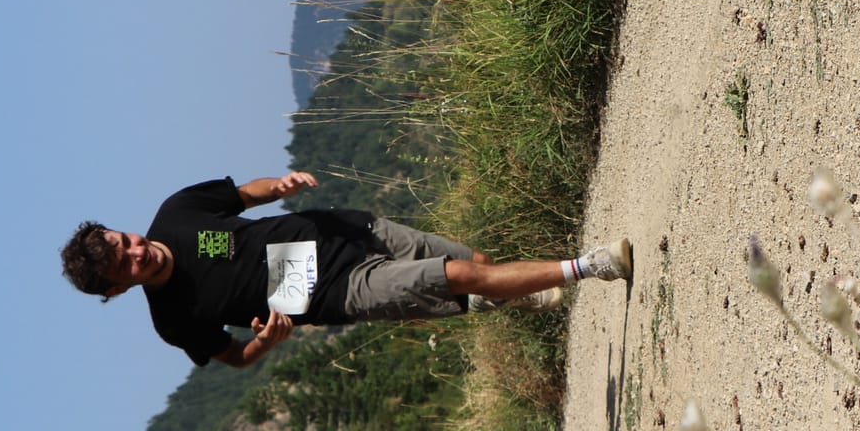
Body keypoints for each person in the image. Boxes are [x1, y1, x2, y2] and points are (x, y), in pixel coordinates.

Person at [60, 172, 631, 368]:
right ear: (117, 287)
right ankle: (592, 265)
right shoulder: (173, 319)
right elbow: (232, 356)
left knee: (475, 263)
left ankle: (504, 295)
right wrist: (267, 341)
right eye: (125, 264)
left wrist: (277, 186)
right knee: (459, 276)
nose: (139, 251)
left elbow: (242, 195)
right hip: (339, 290)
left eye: (125, 240)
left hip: (343, 230)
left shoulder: (175, 213)